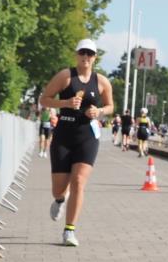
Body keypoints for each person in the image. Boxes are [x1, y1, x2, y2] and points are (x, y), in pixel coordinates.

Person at [38, 39, 113, 247]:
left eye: (90, 54)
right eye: (82, 53)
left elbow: (110, 106)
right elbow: (44, 99)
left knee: (79, 181)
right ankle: (61, 200)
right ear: (76, 54)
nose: (86, 57)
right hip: (63, 136)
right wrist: (66, 103)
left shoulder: (101, 82)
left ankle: (69, 231)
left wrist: (98, 112)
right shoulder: (65, 76)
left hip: (87, 137)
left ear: (95, 57)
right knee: (58, 189)